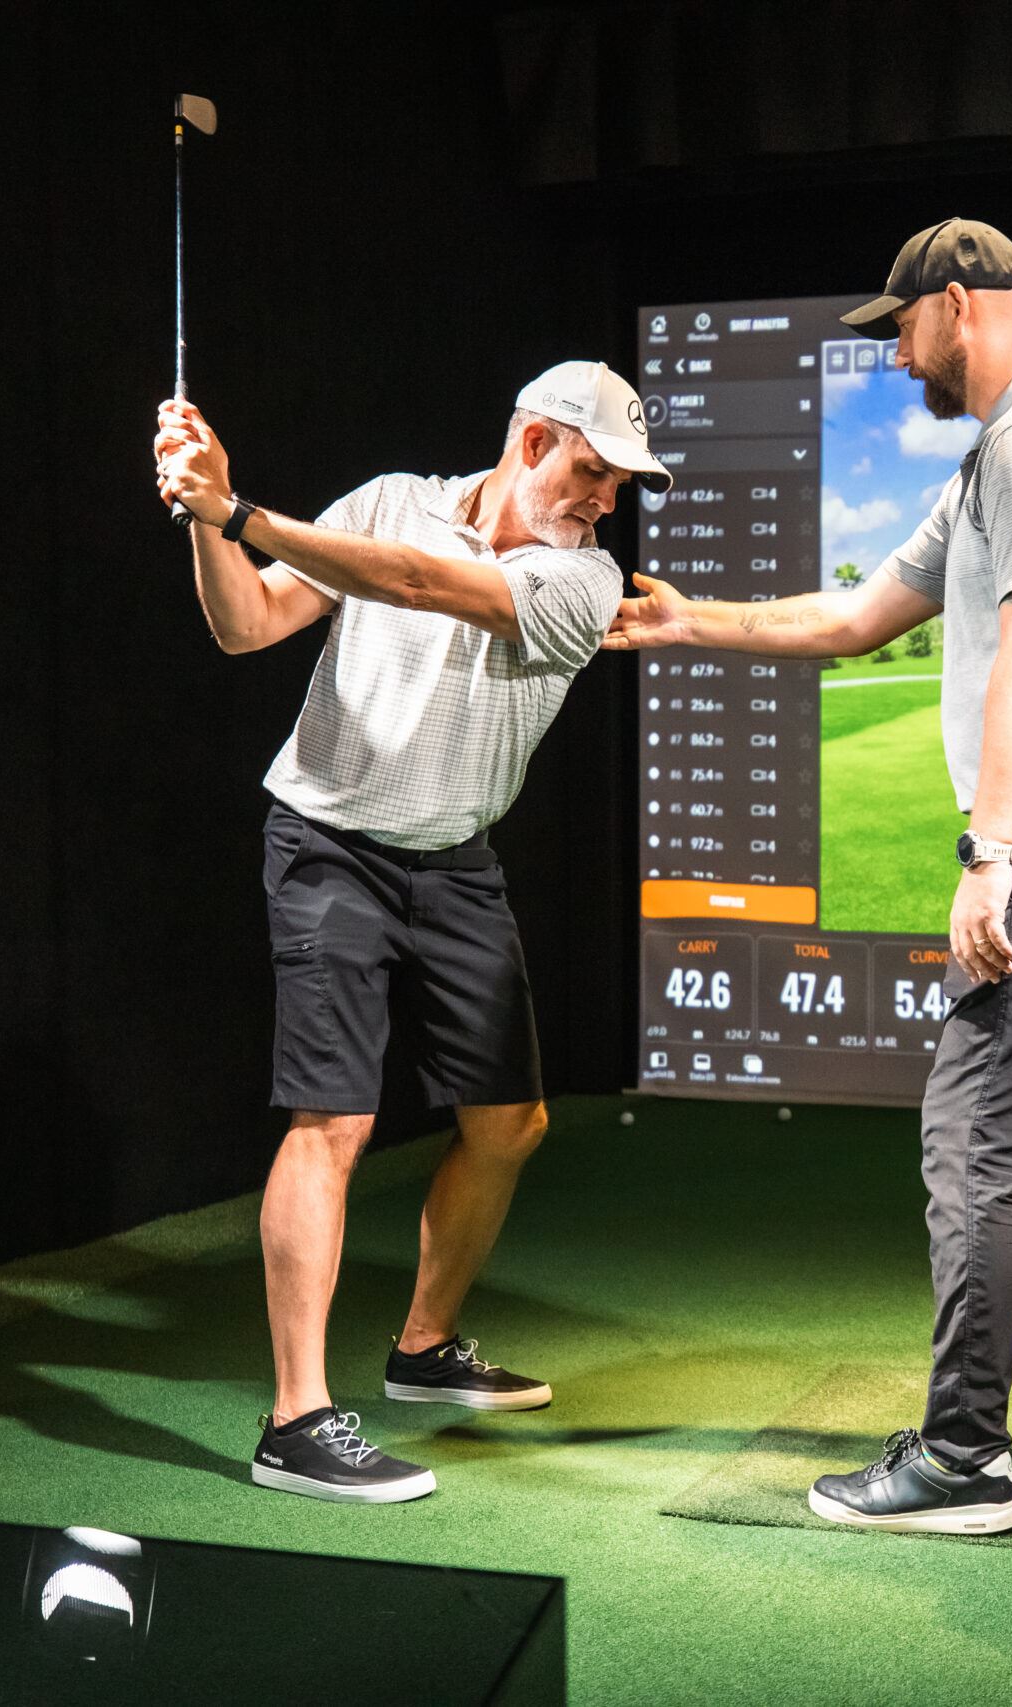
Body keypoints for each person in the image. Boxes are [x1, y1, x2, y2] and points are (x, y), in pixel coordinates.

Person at [606, 219, 1012, 1535]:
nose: (896, 355)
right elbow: (855, 618)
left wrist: (991, 852)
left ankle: (963, 1460)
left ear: (957, 305)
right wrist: (688, 622)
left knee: (973, 1131)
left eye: (900, 328)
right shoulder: (992, 460)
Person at [151, 361, 668, 1502]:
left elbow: (422, 584)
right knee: (334, 1119)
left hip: (457, 860)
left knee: (511, 1122)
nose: (605, 501)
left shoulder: (584, 578)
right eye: (593, 471)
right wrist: (204, 521)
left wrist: (239, 507)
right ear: (532, 442)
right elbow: (246, 624)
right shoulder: (387, 501)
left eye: (622, 485)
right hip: (328, 844)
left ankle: (424, 1346)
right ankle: (295, 1420)